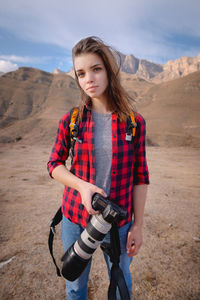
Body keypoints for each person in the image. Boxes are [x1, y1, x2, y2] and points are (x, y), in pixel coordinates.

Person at [47, 36, 149, 300]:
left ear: (109, 71)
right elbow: (54, 164)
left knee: (121, 286)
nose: (88, 78)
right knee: (75, 287)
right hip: (75, 221)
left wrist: (138, 225)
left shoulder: (134, 123)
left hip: (120, 226)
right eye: (81, 73)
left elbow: (141, 177)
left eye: (96, 69)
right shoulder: (71, 120)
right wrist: (81, 186)